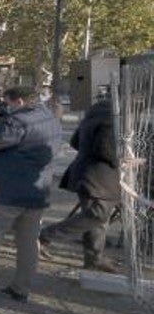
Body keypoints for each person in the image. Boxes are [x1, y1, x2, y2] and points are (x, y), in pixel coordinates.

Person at [0, 85, 62, 302]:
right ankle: (21, 288)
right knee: (28, 244)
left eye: (8, 102)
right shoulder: (49, 118)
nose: (7, 106)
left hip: (9, 192)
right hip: (37, 192)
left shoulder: (18, 121)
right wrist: (5, 117)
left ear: (20, 101)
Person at [40, 98, 120, 273]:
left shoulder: (94, 115)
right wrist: (123, 159)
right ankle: (46, 235)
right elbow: (106, 150)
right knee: (97, 215)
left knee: (97, 220)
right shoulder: (112, 120)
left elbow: (75, 142)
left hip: (85, 173)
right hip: (99, 177)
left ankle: (94, 259)